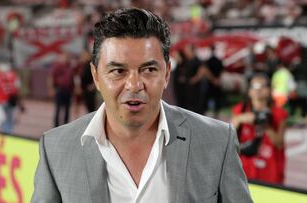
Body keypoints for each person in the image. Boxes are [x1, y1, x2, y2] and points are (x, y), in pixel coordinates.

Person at [31, 8, 252, 203]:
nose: (135, 85)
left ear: (166, 74)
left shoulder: (217, 142)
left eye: (149, 70)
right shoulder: (56, 149)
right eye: (118, 71)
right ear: (96, 76)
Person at [231, 73, 288, 184]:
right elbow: (228, 138)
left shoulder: (279, 114)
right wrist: (239, 119)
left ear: (269, 90)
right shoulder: (240, 110)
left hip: (270, 173)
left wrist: (265, 124)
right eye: (254, 86)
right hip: (244, 172)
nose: (258, 90)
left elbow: (279, 143)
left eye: (262, 86)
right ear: (249, 91)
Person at [0, 62, 24, 134]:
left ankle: (4, 133)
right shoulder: (14, 75)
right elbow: (18, 89)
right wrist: (20, 101)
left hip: (0, 100)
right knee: (9, 118)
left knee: (1, 118)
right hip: (11, 100)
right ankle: (9, 132)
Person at [47, 52, 75, 127]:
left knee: (67, 109)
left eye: (68, 57)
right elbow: (51, 77)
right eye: (65, 56)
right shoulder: (57, 66)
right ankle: (56, 126)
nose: (67, 58)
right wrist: (51, 88)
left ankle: (66, 125)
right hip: (60, 89)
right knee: (58, 108)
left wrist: (73, 90)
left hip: (68, 90)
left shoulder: (70, 67)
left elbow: (72, 79)